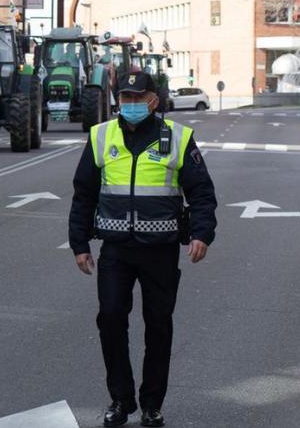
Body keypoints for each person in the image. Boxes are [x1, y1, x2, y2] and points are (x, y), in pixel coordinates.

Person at [68, 71, 218, 428]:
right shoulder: (102, 136)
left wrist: (202, 233)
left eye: (138, 98)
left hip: (160, 250)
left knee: (159, 326)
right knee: (111, 319)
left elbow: (201, 192)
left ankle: (152, 404)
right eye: (126, 97)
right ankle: (121, 400)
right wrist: (79, 243)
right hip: (116, 250)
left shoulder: (178, 138)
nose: (131, 104)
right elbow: (84, 193)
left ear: (153, 100)